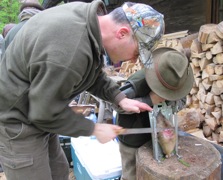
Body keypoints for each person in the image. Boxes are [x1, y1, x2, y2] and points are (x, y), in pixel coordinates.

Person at [0, 1, 164, 180]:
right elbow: (43, 113)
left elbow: (89, 73)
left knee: (59, 172)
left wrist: (119, 98)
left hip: (40, 113)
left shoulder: (89, 24)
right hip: (18, 123)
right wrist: (93, 129)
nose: (133, 61)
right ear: (122, 33)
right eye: (137, 53)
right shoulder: (71, 49)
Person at [117, 47, 194, 180]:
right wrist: (149, 100)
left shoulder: (179, 78)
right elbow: (115, 105)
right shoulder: (137, 83)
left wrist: (172, 102)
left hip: (159, 138)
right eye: (165, 90)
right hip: (133, 140)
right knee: (132, 175)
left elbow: (182, 102)